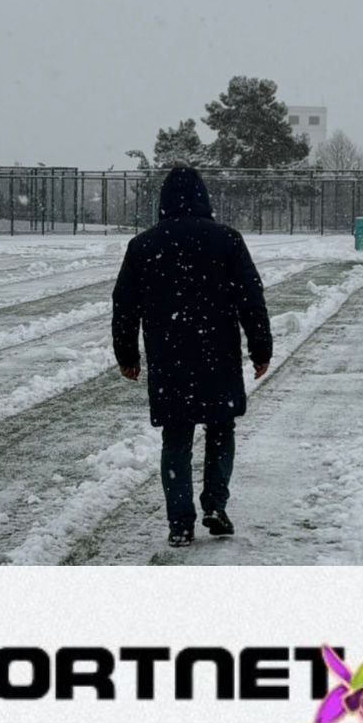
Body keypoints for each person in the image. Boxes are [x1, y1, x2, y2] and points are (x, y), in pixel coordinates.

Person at [112, 166, 273, 548]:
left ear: (164, 201)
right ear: (204, 198)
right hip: (217, 351)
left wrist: (127, 354)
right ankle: (215, 504)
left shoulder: (144, 245)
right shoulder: (227, 240)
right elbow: (251, 298)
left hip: (169, 355)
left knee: (176, 436)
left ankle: (180, 523)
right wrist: (260, 348)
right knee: (221, 429)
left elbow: (125, 305)